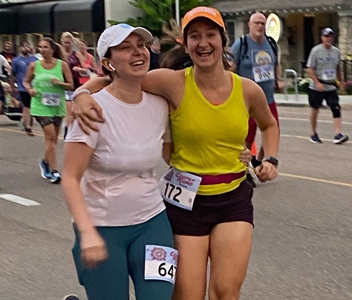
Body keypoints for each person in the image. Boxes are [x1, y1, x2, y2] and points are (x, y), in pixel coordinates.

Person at [72, 6, 280, 300]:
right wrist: (81, 95)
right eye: (194, 36)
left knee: (225, 291)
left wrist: (270, 159)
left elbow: (269, 124)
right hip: (185, 205)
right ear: (186, 43)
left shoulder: (247, 90)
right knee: (186, 296)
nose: (203, 42)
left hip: (233, 198)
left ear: (223, 40)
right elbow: (116, 79)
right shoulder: (172, 81)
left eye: (210, 35)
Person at [62, 24, 177, 300]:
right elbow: (69, 178)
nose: (138, 52)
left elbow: (173, 156)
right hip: (102, 227)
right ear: (107, 63)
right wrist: (87, 232)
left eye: (141, 45)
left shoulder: (160, 105)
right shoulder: (92, 111)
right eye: (126, 47)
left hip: (151, 221)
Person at [230, 12, 281, 186]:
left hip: (268, 97)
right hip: (247, 100)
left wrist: (278, 79)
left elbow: (276, 64)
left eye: (262, 23)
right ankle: (243, 171)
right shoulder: (242, 44)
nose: (260, 26)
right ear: (249, 25)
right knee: (247, 136)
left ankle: (259, 161)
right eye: (257, 23)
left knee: (272, 130)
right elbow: (230, 68)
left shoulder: (271, 44)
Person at [23, 37, 74, 183]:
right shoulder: (34, 65)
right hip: (40, 105)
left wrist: (60, 83)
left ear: (52, 49)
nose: (42, 50)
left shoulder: (62, 65)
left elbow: (71, 85)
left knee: (53, 140)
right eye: (40, 47)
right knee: (50, 136)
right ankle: (54, 171)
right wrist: (30, 89)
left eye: (45, 47)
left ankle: (45, 161)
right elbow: (26, 81)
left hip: (56, 105)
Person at [307, 27, 349, 144]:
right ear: (322, 38)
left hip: (331, 85)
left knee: (335, 107)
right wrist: (317, 82)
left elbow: (338, 67)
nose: (329, 39)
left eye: (331, 36)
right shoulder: (316, 51)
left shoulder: (336, 51)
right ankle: (314, 133)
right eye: (326, 36)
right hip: (318, 86)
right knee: (315, 109)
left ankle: (338, 134)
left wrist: (341, 82)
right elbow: (310, 69)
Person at [60, 32, 86, 132]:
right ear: (62, 43)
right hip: (64, 84)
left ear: (72, 43)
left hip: (76, 83)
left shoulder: (77, 55)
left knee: (76, 109)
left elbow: (85, 70)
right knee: (69, 109)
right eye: (65, 42)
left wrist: (79, 70)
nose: (67, 45)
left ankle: (73, 127)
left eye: (69, 42)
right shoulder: (60, 56)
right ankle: (67, 128)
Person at [11, 41, 38, 136]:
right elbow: (13, 75)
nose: (25, 48)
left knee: (32, 107)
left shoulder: (35, 59)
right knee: (26, 107)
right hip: (22, 86)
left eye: (27, 46)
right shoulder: (16, 60)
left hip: (34, 86)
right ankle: (28, 127)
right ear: (20, 48)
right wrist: (13, 88)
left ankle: (28, 123)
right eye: (23, 46)